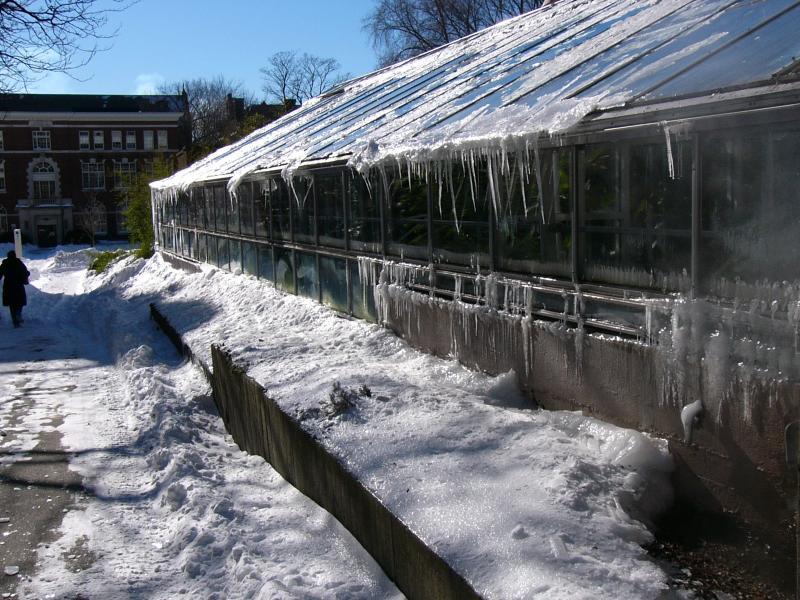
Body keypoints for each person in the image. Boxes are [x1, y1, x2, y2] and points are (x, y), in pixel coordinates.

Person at [0, 250, 30, 327]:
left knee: (12, 304)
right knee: (19, 302)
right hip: (18, 285)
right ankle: (18, 313)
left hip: (8, 286)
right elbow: (26, 272)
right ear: (15, 255)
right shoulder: (19, 263)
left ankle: (15, 322)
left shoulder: (5, 264)